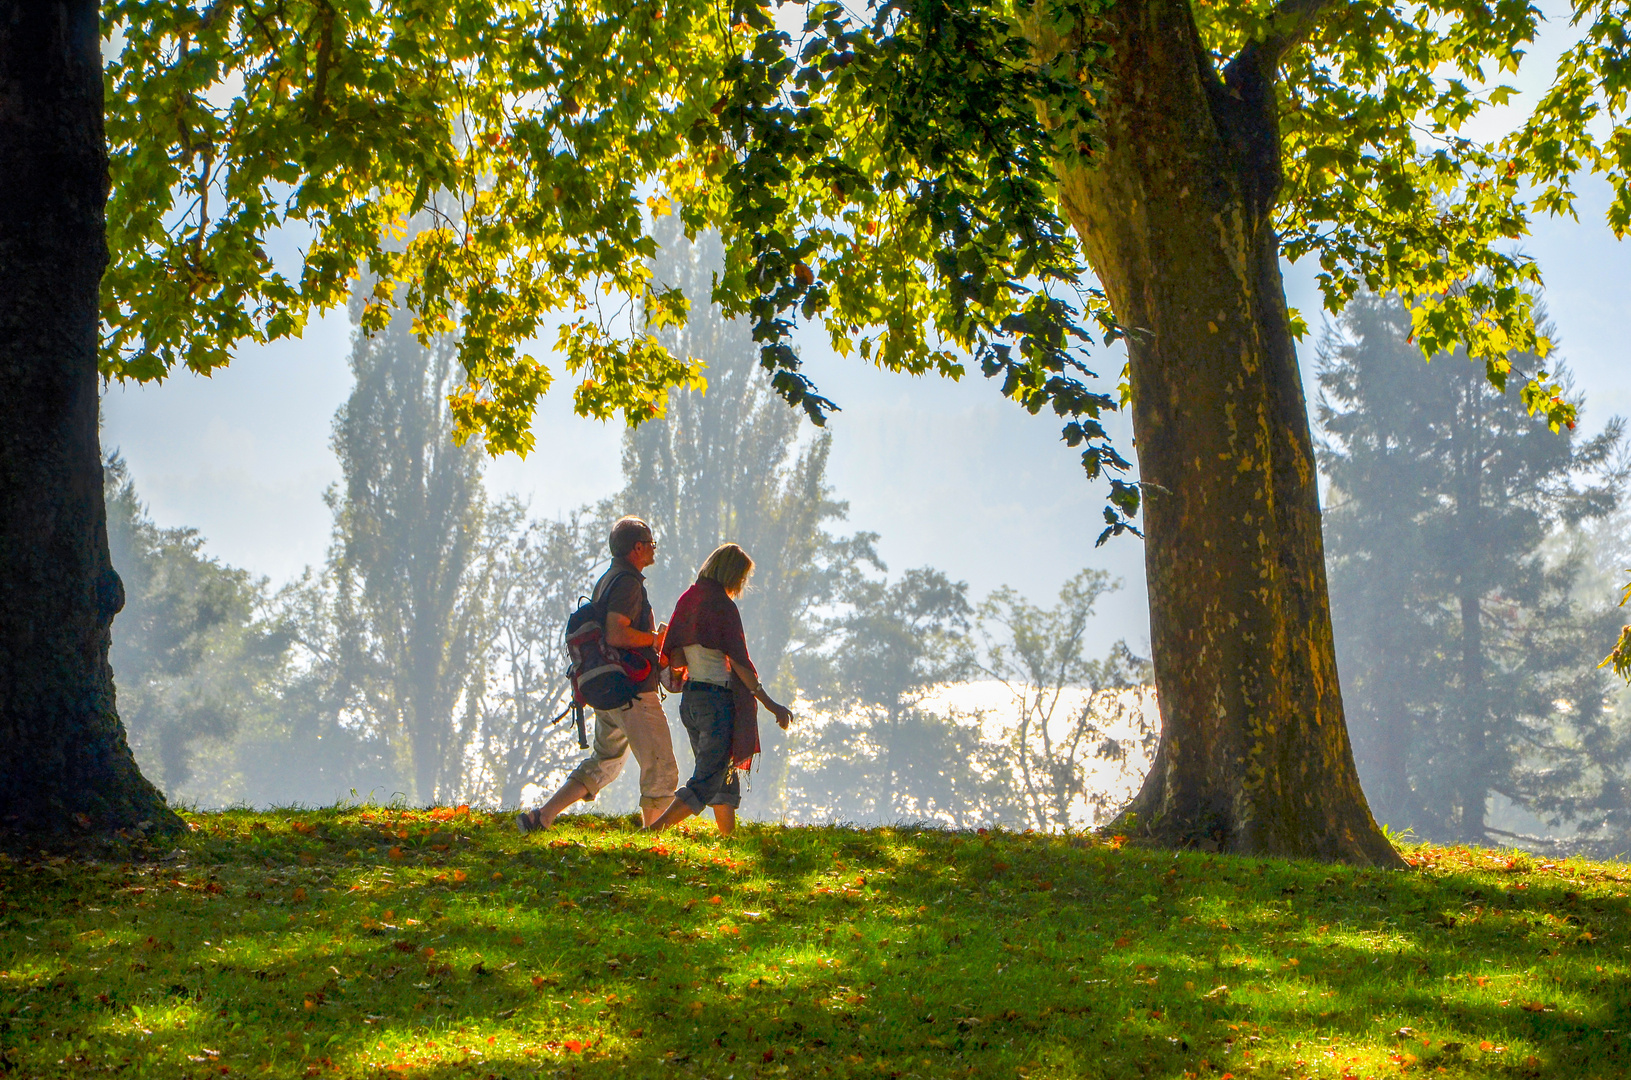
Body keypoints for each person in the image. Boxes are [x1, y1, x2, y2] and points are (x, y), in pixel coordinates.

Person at [516, 517, 678, 831]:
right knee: (661, 767)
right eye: (651, 543)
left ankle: (542, 817)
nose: (654, 549)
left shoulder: (607, 579)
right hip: (633, 691)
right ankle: (654, 836)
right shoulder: (628, 582)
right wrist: (655, 640)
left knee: (605, 762)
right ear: (637, 548)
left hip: (610, 690)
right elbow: (617, 633)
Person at [646, 543, 794, 835]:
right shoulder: (723, 607)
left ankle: (729, 839)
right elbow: (740, 662)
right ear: (732, 573)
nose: (742, 584)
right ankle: (654, 831)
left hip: (691, 701)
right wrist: (769, 703)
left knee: (720, 773)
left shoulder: (687, 600)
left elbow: (674, 657)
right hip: (715, 700)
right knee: (707, 778)